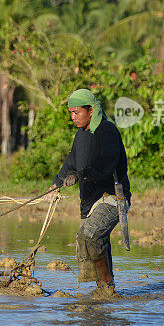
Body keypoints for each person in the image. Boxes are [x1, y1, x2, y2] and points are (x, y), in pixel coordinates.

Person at [49, 88, 130, 290]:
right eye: (70, 113)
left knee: (90, 236)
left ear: (91, 111)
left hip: (111, 198)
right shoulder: (80, 135)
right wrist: (56, 184)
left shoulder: (107, 131)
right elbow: (70, 163)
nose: (73, 117)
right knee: (96, 242)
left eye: (77, 112)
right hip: (89, 200)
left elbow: (106, 164)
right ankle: (105, 292)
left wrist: (80, 175)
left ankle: (107, 283)